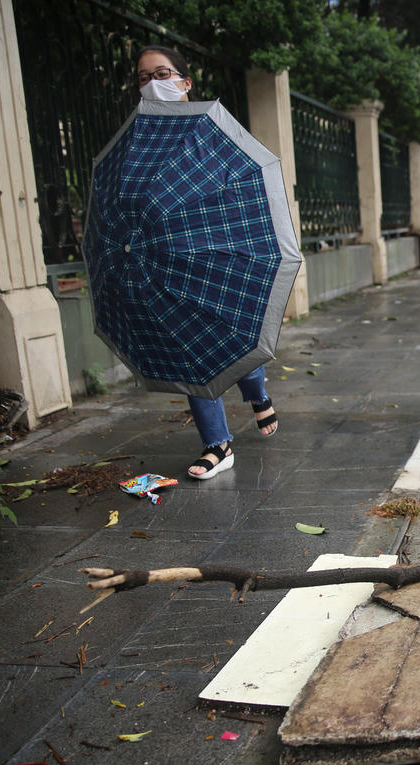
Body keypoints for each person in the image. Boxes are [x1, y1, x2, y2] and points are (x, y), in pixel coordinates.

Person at [135, 46, 279, 480]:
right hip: (168, 258)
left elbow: (239, 184)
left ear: (185, 81)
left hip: (218, 250)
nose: (153, 83)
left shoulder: (211, 130)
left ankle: (257, 393)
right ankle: (217, 443)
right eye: (144, 77)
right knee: (190, 347)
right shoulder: (139, 142)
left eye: (162, 73)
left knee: (234, 336)